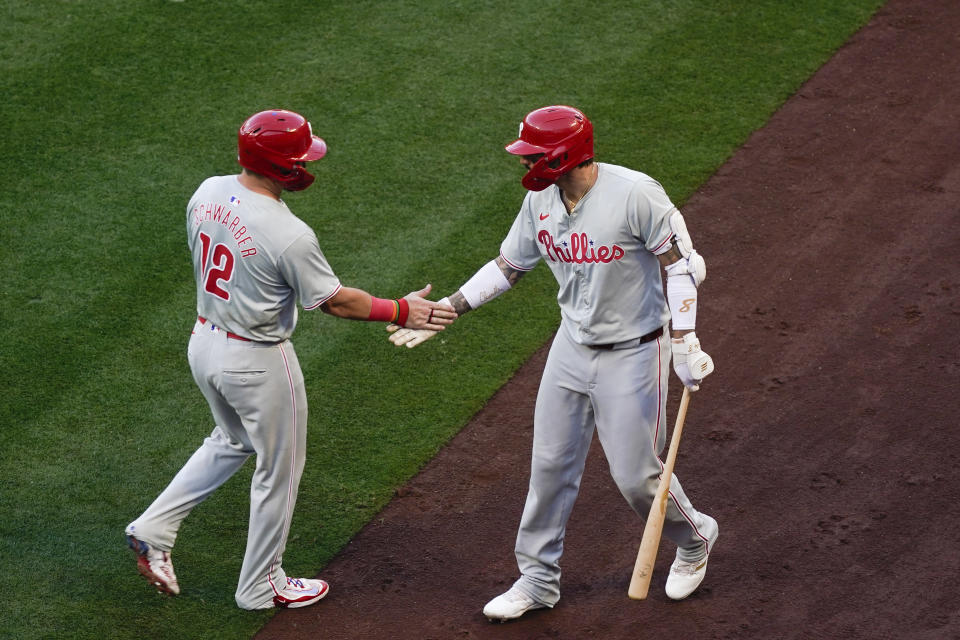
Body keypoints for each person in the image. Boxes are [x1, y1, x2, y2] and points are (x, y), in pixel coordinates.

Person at [387, 105, 717, 621]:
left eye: (534, 155)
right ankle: (538, 579)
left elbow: (680, 268)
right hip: (570, 347)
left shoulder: (636, 195)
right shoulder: (540, 199)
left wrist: (686, 342)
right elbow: (509, 266)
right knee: (549, 466)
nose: (526, 164)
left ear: (563, 154)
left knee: (638, 477)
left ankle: (695, 539)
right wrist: (450, 306)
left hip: (635, 351)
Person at [125, 109, 456, 610]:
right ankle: (261, 585)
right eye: (299, 157)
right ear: (279, 166)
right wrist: (403, 309)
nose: (305, 165)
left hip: (205, 341)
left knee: (232, 439)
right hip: (257, 361)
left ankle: (154, 527)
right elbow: (336, 301)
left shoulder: (207, 190)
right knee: (279, 470)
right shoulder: (288, 232)